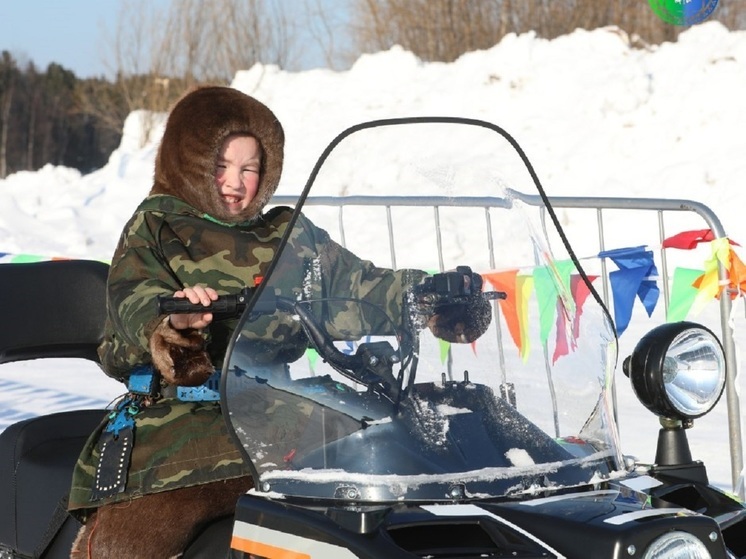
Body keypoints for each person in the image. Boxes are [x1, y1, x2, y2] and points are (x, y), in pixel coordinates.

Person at [68, 85, 491, 558]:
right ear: (187, 164)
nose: (235, 181)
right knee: (143, 534)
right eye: (220, 165)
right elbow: (132, 298)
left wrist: (429, 298)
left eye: (249, 168)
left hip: (279, 409)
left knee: (395, 461)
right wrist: (170, 322)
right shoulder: (158, 227)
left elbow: (355, 288)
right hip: (181, 419)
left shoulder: (288, 235)